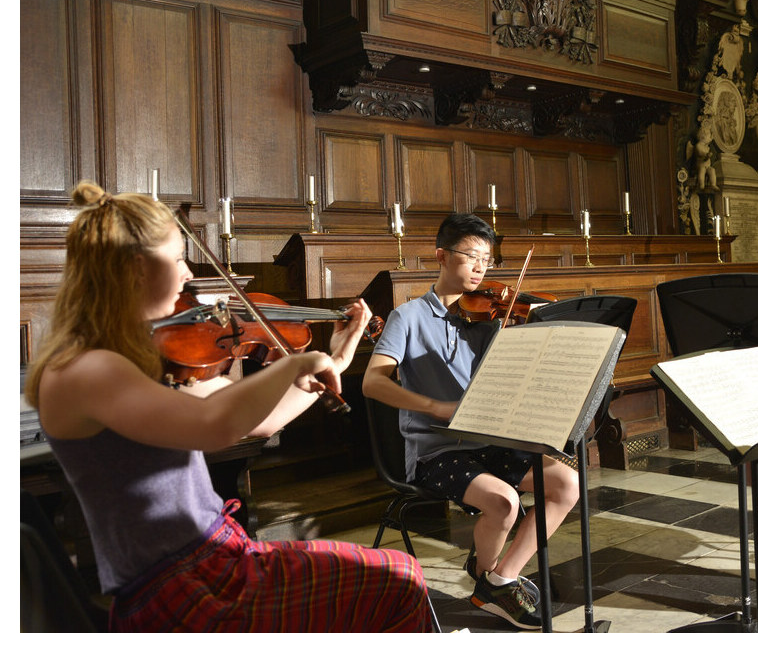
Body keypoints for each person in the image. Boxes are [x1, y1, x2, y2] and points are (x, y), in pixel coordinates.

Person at [23, 181, 432, 632]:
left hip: (220, 556)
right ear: (135, 268)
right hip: (183, 589)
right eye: (178, 258)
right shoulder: (88, 369)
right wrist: (292, 364)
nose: (187, 275)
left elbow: (259, 423)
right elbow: (212, 425)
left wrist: (334, 361)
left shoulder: (125, 361)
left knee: (398, 575)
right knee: (400, 580)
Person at [362, 213, 580, 631]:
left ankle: (498, 579)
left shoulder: (490, 318)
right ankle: (492, 580)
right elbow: (373, 383)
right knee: (504, 502)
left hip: (490, 439)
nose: (481, 267)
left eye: (488, 259)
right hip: (436, 448)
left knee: (567, 484)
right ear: (441, 256)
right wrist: (433, 405)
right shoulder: (406, 318)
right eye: (471, 256)